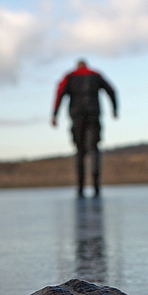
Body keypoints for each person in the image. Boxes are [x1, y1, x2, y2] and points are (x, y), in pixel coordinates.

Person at [52, 59, 117, 197]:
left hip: (77, 117)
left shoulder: (69, 77)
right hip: (93, 115)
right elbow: (111, 91)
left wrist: (55, 115)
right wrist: (115, 109)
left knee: (80, 151)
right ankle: (96, 186)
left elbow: (59, 94)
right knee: (94, 149)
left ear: (77, 66)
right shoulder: (95, 75)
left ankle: (80, 187)